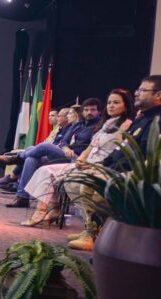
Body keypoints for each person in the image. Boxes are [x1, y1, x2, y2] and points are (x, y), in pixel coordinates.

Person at [21, 90, 134, 228]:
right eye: (109, 102)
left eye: (116, 103)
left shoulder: (127, 125)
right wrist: (82, 158)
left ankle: (90, 227)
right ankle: (45, 211)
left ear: (126, 106)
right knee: (45, 170)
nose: (111, 106)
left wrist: (89, 162)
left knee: (45, 152)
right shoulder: (105, 124)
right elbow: (91, 146)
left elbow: (118, 152)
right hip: (83, 163)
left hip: (101, 167)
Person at [3, 99, 102, 208]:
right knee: (31, 159)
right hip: (66, 154)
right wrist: (66, 148)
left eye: (93, 110)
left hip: (79, 158)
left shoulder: (99, 126)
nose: (89, 112)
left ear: (99, 112)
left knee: (44, 146)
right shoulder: (78, 125)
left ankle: (17, 158)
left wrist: (75, 152)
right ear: (82, 112)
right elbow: (65, 141)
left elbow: (93, 147)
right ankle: (22, 197)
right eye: (86, 110)